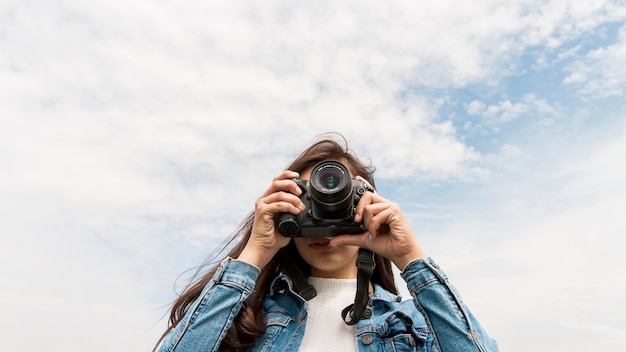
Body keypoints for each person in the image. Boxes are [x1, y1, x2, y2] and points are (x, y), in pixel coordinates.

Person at [154, 134, 499, 352]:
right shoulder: (247, 322)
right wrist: (254, 254)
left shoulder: (411, 325)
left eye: (339, 200)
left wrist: (410, 257)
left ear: (368, 209)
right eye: (309, 202)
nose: (324, 217)